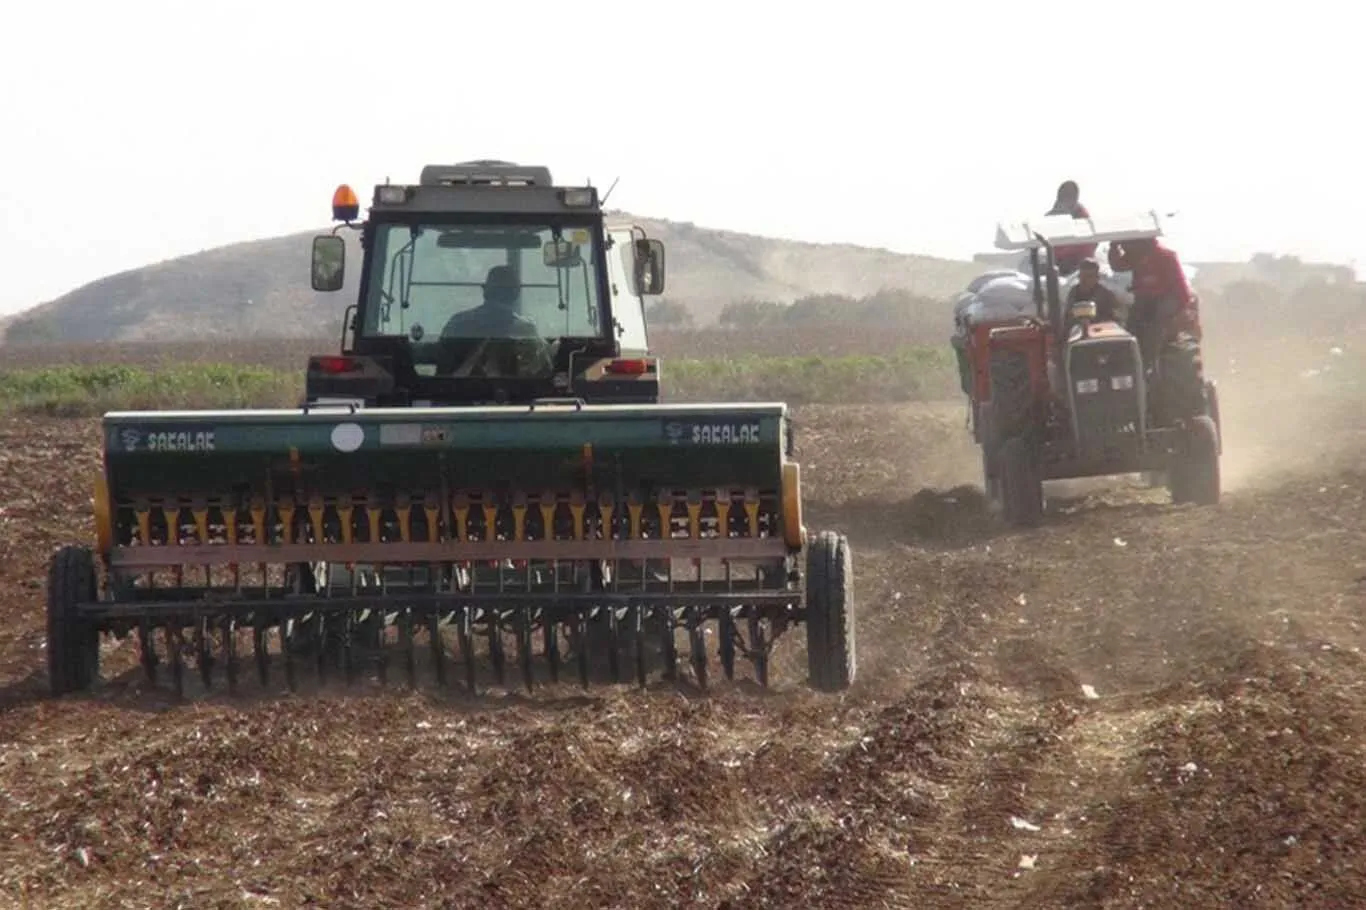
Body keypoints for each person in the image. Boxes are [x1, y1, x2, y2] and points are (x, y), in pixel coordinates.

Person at [440, 265, 540, 338]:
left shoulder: (457, 322)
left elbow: (442, 359)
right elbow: (541, 364)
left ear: (484, 289)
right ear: (517, 293)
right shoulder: (526, 331)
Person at [1047, 180, 1098, 276]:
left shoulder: (1082, 218)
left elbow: (1088, 244)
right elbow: (1044, 226)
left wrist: (1062, 255)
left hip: (1078, 261)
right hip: (1058, 259)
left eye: (1068, 196)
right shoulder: (1056, 212)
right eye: (1062, 196)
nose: (1065, 199)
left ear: (1075, 197)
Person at [1065, 257, 1122, 323]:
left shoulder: (1105, 294)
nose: (1084, 280)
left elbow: (1117, 315)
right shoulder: (1074, 291)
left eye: (1089, 276)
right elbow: (1068, 314)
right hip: (1078, 328)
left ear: (1097, 278)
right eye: (1082, 275)